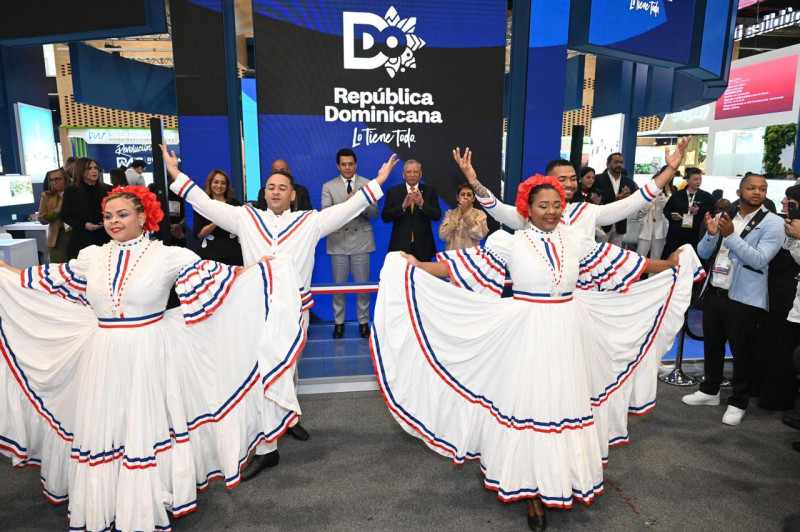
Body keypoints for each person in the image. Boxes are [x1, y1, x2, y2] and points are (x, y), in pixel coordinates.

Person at [372, 175, 701, 531]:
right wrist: (416, 266)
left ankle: (563, 479)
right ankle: (531, 493)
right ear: (526, 209)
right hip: (527, 332)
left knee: (565, 403)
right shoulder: (508, 243)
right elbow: (461, 266)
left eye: (557, 204)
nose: (552, 211)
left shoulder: (576, 240)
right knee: (532, 405)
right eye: (543, 205)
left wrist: (669, 266)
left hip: (570, 330)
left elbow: (623, 262)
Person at [0, 185, 304, 532]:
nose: (114, 221)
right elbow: (45, 278)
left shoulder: (168, 255)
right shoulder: (92, 257)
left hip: (150, 352)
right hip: (102, 354)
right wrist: (4, 273)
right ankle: (108, 501)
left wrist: (261, 271)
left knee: (146, 426)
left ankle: (149, 501)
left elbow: (220, 277)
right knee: (107, 425)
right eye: (108, 216)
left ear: (143, 217)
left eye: (122, 214)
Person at [162, 144, 399, 443]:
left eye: (282, 187)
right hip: (254, 308)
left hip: (293, 309)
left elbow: (347, 209)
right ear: (265, 193)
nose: (275, 191)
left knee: (290, 365)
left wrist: (379, 180)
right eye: (271, 187)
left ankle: (288, 417)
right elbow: (204, 203)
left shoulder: (310, 221)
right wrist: (175, 173)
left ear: (292, 195)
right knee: (256, 365)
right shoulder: (245, 218)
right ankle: (262, 433)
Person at [682, 174, 784, 425]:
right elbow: (704, 253)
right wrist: (712, 233)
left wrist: (730, 236)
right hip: (716, 289)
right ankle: (710, 390)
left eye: (762, 188)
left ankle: (739, 401)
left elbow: (759, 260)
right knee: (712, 345)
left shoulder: (773, 223)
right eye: (751, 188)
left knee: (742, 352)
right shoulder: (724, 216)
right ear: (740, 190)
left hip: (746, 298)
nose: (757, 192)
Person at [452, 138, 690, 241]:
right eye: (561, 179)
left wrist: (668, 171)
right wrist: (474, 182)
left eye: (572, 179)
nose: (568, 184)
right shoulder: (530, 215)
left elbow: (633, 202)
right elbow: (497, 209)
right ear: (546, 181)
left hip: (579, 298)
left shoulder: (587, 212)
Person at [320, 148, 378, 339]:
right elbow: (326, 214)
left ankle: (363, 322)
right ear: (338, 165)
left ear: (356, 164)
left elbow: (374, 212)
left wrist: (360, 203)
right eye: (343, 164)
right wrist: (348, 204)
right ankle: (339, 323)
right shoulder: (328, 186)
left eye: (350, 164)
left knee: (363, 286)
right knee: (338, 286)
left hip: (361, 240)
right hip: (338, 242)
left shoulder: (367, 183)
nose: (347, 167)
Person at [756, 186, 800, 411]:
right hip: (774, 296)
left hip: (788, 300)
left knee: (782, 350)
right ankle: (768, 390)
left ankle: (779, 397)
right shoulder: (785, 225)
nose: (784, 202)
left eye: (790, 200)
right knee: (771, 346)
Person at [381, 159, 442, 261]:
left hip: (423, 247)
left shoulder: (430, 191)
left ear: (420, 174)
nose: (412, 175)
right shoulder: (393, 191)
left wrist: (422, 204)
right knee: (400, 277)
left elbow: (437, 216)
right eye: (409, 172)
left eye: (415, 172)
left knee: (423, 277)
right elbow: (385, 217)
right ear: (403, 174)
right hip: (400, 247)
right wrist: (402, 207)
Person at [61, 157, 112, 259]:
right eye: (89, 168)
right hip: (82, 239)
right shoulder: (71, 191)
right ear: (80, 171)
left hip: (105, 238)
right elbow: (66, 215)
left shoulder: (107, 189)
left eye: (95, 168)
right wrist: (84, 224)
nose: (94, 171)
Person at [662, 167, 715, 258]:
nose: (698, 182)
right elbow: (666, 210)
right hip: (676, 233)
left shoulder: (705, 196)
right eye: (695, 179)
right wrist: (673, 217)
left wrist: (700, 210)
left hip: (696, 233)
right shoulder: (677, 195)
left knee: (693, 259)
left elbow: (714, 209)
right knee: (672, 257)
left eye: (700, 179)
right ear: (687, 180)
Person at [193, 169, 244, 265]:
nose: (219, 186)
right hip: (210, 255)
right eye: (216, 182)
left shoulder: (235, 203)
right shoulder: (202, 205)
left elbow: (242, 227)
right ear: (210, 184)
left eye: (223, 183)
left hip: (235, 254)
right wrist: (217, 221)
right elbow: (199, 234)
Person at [594, 152, 638, 246]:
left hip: (620, 223)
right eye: (616, 162)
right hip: (603, 223)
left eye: (621, 162)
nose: (619, 165)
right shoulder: (597, 179)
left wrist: (629, 197)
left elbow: (634, 201)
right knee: (599, 253)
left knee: (617, 255)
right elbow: (594, 201)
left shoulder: (629, 182)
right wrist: (615, 198)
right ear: (608, 164)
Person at [637, 168, 675, 260]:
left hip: (660, 231)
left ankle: (653, 275)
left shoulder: (668, 193)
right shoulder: (645, 194)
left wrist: (661, 196)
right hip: (645, 230)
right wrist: (651, 197)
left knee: (656, 258)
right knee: (639, 257)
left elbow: (667, 207)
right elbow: (642, 210)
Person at [438, 182, 489, 250]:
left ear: (473, 198)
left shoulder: (479, 214)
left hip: (470, 257)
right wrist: (455, 220)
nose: (465, 197)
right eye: (462, 194)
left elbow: (480, 235)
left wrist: (466, 215)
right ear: (457, 198)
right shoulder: (450, 214)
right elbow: (442, 236)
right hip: (452, 257)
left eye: (469, 195)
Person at [37, 168, 71, 262]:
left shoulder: (74, 193)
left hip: (75, 235)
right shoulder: (47, 196)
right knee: (58, 269)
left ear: (65, 179)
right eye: (52, 180)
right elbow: (41, 219)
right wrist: (56, 210)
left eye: (58, 179)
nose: (54, 182)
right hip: (57, 237)